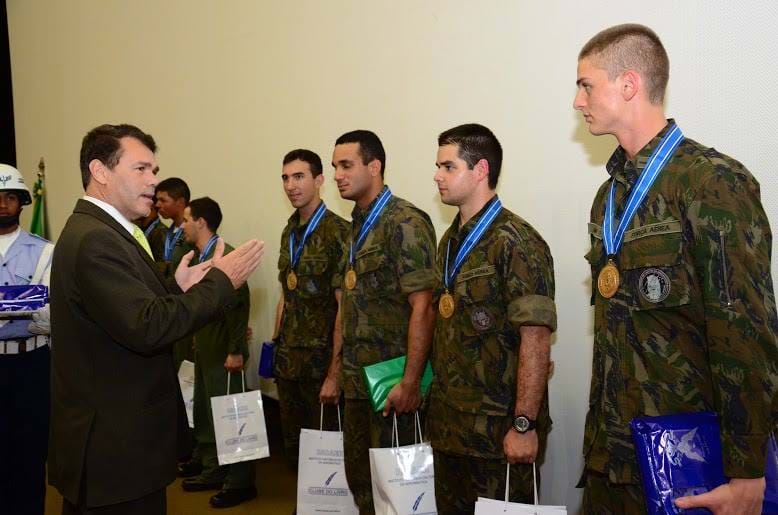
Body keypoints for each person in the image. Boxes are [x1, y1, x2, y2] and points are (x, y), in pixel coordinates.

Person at [574, 24, 778, 514]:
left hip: (689, 461)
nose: (578, 102)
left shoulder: (712, 182)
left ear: (628, 84)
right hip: (611, 458)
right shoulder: (610, 196)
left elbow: (745, 331)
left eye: (585, 85)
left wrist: (749, 470)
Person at [48, 123, 264, 515]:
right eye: (141, 169)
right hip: (116, 451)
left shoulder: (105, 230)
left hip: (120, 447)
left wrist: (173, 282)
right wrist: (221, 282)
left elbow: (123, 294)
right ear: (100, 172)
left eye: (154, 170)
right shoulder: (96, 238)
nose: (153, 181)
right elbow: (148, 326)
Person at [426, 124, 556, 514]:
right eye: (437, 167)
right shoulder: (449, 242)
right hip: (451, 428)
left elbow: (535, 338)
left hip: (497, 434)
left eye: (448, 167)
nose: (436, 176)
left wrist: (523, 425)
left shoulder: (516, 241)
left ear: (480, 170)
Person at [332, 130, 437, 514]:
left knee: (398, 490)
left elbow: (423, 307)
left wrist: (410, 382)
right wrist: (335, 372)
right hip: (358, 383)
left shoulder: (405, 222)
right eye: (335, 168)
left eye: (347, 165)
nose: (338, 176)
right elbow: (348, 306)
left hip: (393, 386)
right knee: (361, 480)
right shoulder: (355, 227)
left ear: (374, 166)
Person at [178, 196, 257, 508]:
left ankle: (240, 481)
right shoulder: (197, 257)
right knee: (207, 414)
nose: (182, 225)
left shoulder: (229, 255)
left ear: (201, 221)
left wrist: (236, 349)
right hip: (205, 346)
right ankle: (213, 469)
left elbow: (240, 305)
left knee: (233, 417)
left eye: (186, 219)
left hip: (225, 349)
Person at [272, 149, 349, 471]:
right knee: (295, 447)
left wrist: (335, 374)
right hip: (289, 362)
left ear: (319, 180)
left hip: (321, 366)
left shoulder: (339, 233)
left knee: (326, 450)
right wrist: (274, 345)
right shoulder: (289, 232)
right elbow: (286, 295)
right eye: (286, 178)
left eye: (299, 176)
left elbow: (344, 309)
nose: (291, 185)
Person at [0, 163, 53, 515]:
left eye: (9, 197)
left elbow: (51, 310)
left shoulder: (45, 251)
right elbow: (31, 304)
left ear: (21, 202)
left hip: (31, 363)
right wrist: (23, 305)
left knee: (30, 451)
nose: (2, 204)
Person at [155, 177, 196, 369]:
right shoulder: (167, 232)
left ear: (180, 202)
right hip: (170, 306)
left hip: (188, 307)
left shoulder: (192, 234)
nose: (157, 205)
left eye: (163, 200)